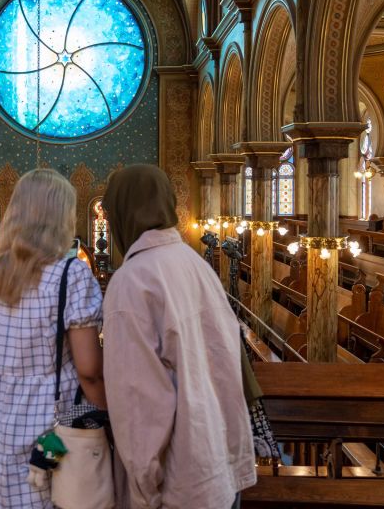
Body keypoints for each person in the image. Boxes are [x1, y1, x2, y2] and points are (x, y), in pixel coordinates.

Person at [101, 164, 256, 509]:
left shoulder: (132, 282)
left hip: (180, 484)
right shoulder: (195, 264)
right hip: (222, 471)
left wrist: (144, 491)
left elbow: (139, 402)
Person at [0, 168, 106, 508]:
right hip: (50, 426)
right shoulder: (71, 274)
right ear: (61, 217)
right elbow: (89, 369)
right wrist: (113, 412)